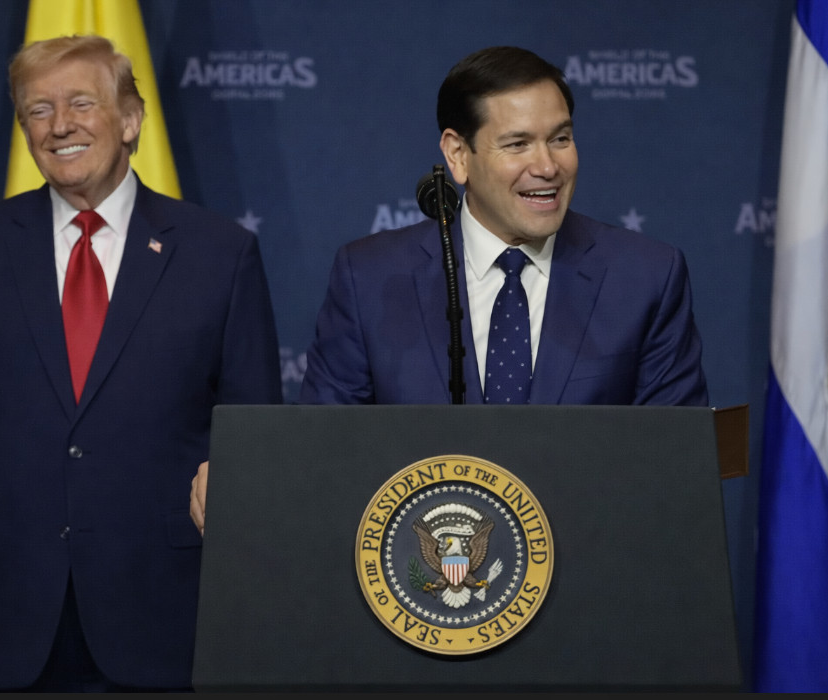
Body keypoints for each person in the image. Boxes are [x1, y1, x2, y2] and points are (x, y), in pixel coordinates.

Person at [0, 35, 282, 692]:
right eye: (37, 110)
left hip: (168, 611)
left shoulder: (221, 253)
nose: (59, 126)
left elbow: (255, 436)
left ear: (130, 120)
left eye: (80, 103)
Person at [189, 45, 706, 532]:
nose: (547, 165)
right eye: (518, 143)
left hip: (593, 593)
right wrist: (253, 487)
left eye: (561, 138)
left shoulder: (644, 277)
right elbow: (325, 455)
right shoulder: (370, 279)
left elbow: (677, 471)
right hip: (421, 595)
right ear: (458, 155)